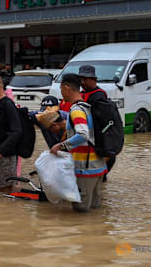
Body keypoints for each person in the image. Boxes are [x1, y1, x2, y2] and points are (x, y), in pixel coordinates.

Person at [51, 74, 107, 213]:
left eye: (61, 89)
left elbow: (83, 134)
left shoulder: (76, 110)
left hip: (85, 168)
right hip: (98, 166)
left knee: (80, 211)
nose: (61, 93)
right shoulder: (87, 107)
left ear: (66, 88)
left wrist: (61, 146)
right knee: (95, 210)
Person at [78, 65, 116, 182]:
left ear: (93, 79)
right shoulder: (82, 94)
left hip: (97, 138)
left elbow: (102, 121)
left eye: (85, 79)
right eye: (81, 79)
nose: (82, 82)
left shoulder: (99, 95)